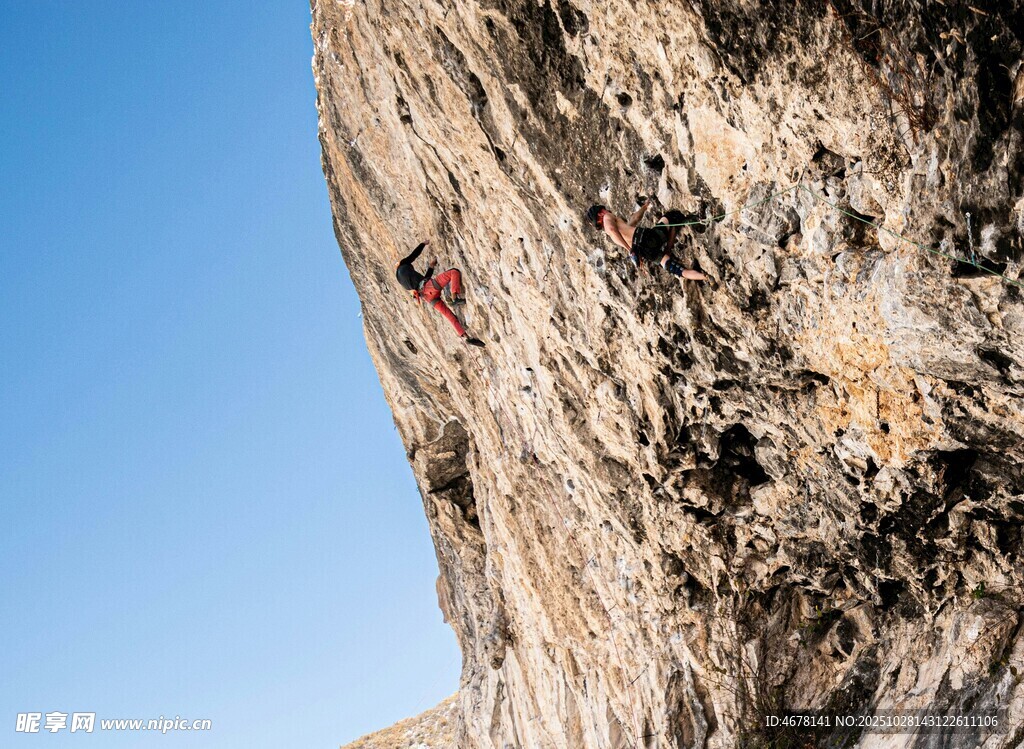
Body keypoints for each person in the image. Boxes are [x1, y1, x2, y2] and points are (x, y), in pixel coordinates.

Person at [586, 200, 707, 281]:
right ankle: (696, 219)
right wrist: (630, 250)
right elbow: (612, 229)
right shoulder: (607, 218)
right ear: (600, 213)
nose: (607, 211)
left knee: (678, 270)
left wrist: (644, 207)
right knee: (671, 216)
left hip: (644, 252)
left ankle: (705, 277)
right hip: (645, 238)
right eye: (604, 210)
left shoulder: (618, 232)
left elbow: (634, 219)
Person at [395, 240, 485, 347]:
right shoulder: (403, 264)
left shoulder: (402, 281)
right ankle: (454, 297)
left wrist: (431, 267)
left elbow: (421, 282)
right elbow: (414, 255)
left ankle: (465, 337)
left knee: (449, 315)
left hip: (427, 297)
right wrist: (423, 244)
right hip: (429, 287)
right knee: (454, 272)